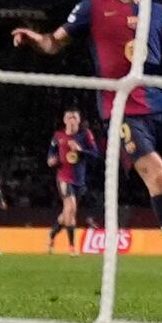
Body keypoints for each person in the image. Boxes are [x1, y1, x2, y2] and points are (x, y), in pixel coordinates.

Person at [12, 0, 162, 275]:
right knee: (158, 177)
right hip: (122, 109)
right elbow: (54, 43)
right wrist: (35, 39)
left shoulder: (160, 13)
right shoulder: (92, 9)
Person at [47, 108, 99, 255]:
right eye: (68, 117)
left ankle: (52, 234)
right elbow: (51, 154)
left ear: (79, 120)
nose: (71, 120)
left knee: (67, 214)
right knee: (70, 208)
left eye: (74, 117)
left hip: (79, 180)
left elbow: (95, 154)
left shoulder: (85, 135)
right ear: (64, 120)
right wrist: (51, 160)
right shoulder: (58, 136)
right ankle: (71, 247)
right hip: (63, 177)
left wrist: (80, 150)